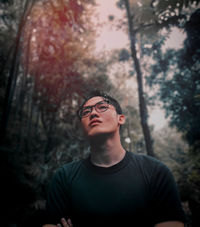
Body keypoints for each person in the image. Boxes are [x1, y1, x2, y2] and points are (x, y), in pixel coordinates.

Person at [43, 90, 187, 227]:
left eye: (102, 107)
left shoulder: (156, 172)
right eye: (86, 111)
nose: (93, 113)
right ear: (82, 126)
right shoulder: (64, 178)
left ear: (121, 118)